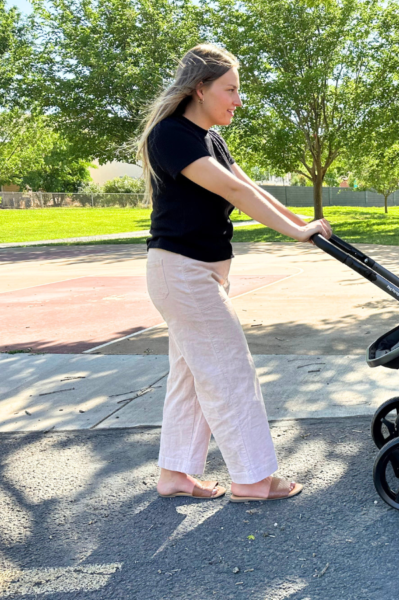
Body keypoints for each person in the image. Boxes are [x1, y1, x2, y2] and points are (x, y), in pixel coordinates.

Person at [136, 44, 332, 502]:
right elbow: (229, 189)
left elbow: (248, 186)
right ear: (200, 89)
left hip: (198, 274)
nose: (238, 101)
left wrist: (305, 225)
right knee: (230, 371)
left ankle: (175, 475)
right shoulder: (170, 135)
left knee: (190, 377)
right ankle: (253, 478)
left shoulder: (212, 138)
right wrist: (294, 232)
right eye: (231, 90)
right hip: (180, 272)